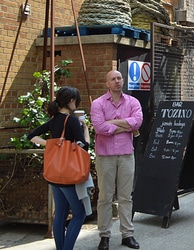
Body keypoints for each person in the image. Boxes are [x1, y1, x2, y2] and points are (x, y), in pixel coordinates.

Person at [28, 86, 90, 250]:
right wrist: (85, 129)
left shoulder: (54, 119)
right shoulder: (71, 120)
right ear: (71, 101)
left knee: (60, 214)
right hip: (68, 175)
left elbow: (31, 136)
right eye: (76, 101)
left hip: (54, 174)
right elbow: (84, 146)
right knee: (79, 213)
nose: (76, 104)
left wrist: (50, 145)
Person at [91, 70, 143, 250]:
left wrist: (112, 123)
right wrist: (124, 126)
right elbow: (99, 127)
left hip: (126, 154)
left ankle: (127, 234)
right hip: (105, 155)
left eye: (119, 78)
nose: (117, 81)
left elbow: (137, 122)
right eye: (113, 79)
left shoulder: (132, 102)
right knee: (105, 197)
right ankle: (104, 235)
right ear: (107, 83)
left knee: (125, 197)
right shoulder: (97, 103)